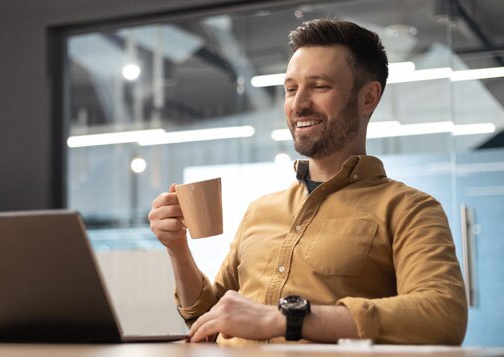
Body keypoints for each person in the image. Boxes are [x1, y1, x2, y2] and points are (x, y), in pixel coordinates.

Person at [148, 18, 467, 346]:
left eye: (319, 86)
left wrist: (285, 318)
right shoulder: (260, 210)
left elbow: (442, 315)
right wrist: (177, 248)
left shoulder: (409, 209)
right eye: (290, 89)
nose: (298, 104)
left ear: (368, 98)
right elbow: (210, 318)